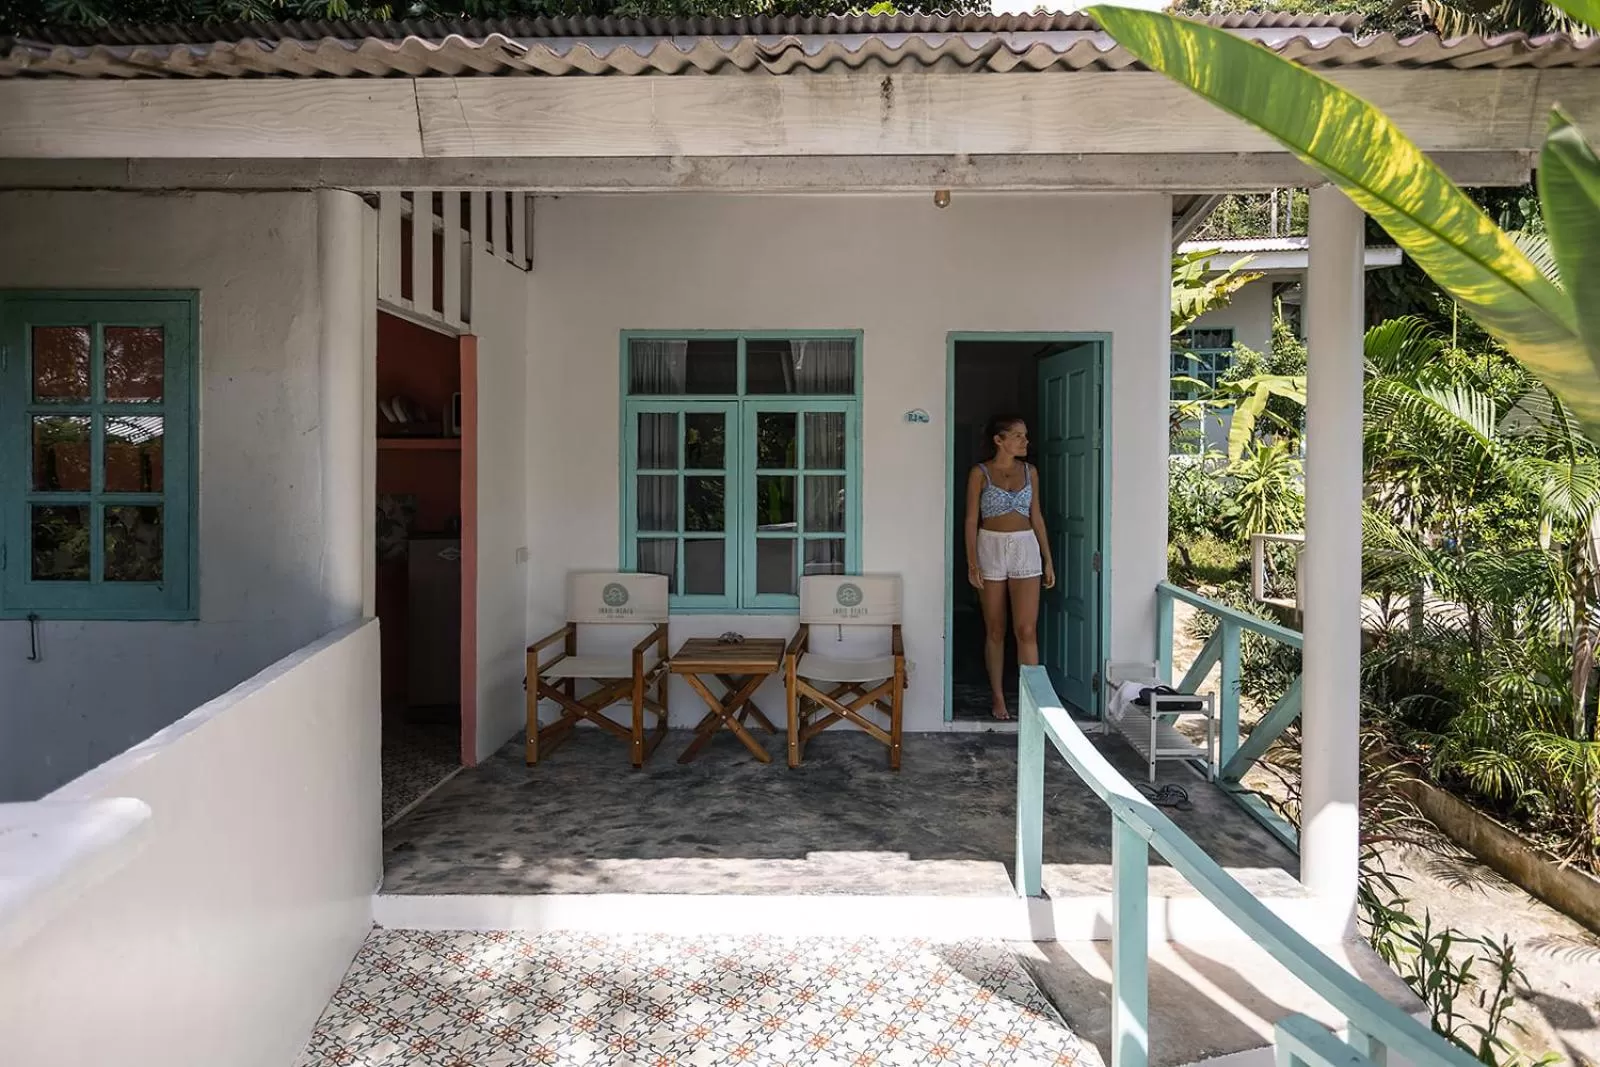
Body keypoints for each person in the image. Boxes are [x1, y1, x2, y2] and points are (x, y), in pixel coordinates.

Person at [964, 414, 1055, 720]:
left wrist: (1047, 558)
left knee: (1026, 630)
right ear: (999, 440)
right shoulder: (980, 473)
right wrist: (971, 561)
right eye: (1018, 436)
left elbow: (1037, 516)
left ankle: (1033, 702)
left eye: (1025, 436)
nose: (1025, 441)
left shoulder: (1030, 472)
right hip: (990, 545)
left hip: (1025, 546)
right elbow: (970, 519)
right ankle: (998, 697)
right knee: (995, 628)